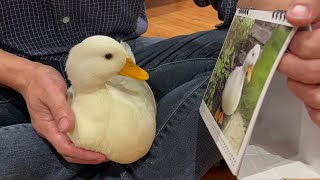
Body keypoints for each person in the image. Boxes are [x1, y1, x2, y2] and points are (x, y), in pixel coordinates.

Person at [0, 0, 319, 179]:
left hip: (125, 51)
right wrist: (23, 75)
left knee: (263, 49)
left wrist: (297, 14)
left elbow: (246, 6)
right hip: (12, 77)